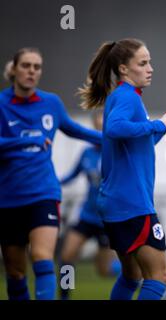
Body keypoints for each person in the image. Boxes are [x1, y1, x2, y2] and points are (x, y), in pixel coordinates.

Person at [79, 38, 166, 300]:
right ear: (124, 69)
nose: (150, 68)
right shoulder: (127, 97)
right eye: (143, 63)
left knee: (132, 276)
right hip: (132, 203)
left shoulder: (121, 97)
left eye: (150, 62)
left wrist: (161, 128)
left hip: (114, 202)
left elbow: (134, 143)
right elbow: (115, 128)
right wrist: (156, 125)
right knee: (158, 278)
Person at [0, 47, 101, 300]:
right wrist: (22, 142)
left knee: (43, 258)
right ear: (14, 69)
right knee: (14, 272)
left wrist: (114, 138)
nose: (32, 71)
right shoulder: (1, 104)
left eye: (37, 67)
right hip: (8, 198)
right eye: (26, 65)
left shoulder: (51, 103)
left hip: (43, 192)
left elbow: (75, 130)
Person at [58, 111, 121, 300]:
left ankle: (137, 275)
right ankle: (64, 296)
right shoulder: (86, 153)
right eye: (97, 125)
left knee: (104, 270)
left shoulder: (117, 152)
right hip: (87, 216)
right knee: (67, 257)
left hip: (107, 220)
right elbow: (72, 175)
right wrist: (52, 181)